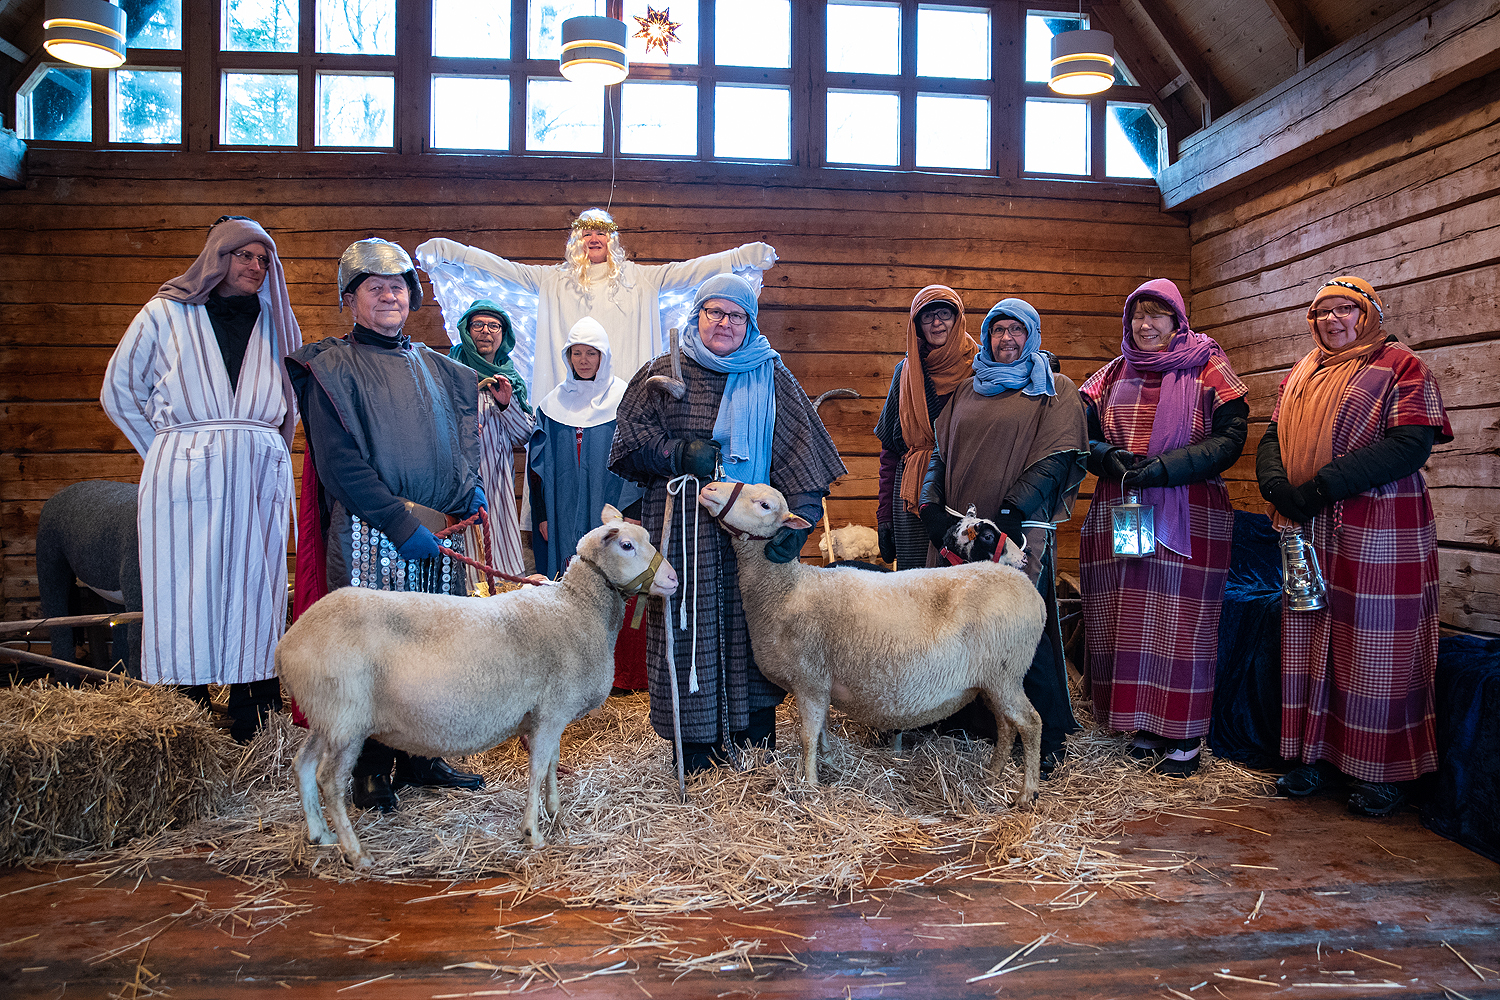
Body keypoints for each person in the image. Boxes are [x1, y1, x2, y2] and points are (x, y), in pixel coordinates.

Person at [610, 273, 846, 772]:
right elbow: (628, 444)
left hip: (751, 535)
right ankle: (693, 748)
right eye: (712, 312)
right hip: (682, 522)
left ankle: (753, 736)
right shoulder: (660, 374)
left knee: (751, 625)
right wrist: (676, 452)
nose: (723, 323)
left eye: (734, 314)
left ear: (750, 322)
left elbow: (800, 453)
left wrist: (791, 526)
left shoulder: (771, 376)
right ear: (696, 316)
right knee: (685, 622)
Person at [285, 237, 488, 812]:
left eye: (397, 286)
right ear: (351, 299)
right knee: (375, 655)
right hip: (374, 534)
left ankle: (422, 756)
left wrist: (468, 490)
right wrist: (399, 525)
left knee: (434, 650)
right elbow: (339, 465)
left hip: (437, 536)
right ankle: (372, 768)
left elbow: (460, 444)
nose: (388, 296)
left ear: (413, 296)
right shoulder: (328, 366)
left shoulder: (440, 369)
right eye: (374, 288)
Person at [1256, 276, 1452, 818]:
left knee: (1376, 649)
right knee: (1311, 637)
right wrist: (1277, 487)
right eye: (1322, 313)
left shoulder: (1401, 366)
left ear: (1367, 314)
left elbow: (1410, 444)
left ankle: (1381, 771)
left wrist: (1322, 486)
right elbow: (1273, 437)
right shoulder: (1301, 372)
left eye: (1346, 309)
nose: (1333, 320)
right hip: (1307, 528)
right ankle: (1314, 757)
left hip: (1379, 528)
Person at [100, 215, 298, 743]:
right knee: (182, 582)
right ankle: (183, 707)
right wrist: (165, 453)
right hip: (183, 467)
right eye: (244, 256)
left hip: (258, 466)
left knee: (256, 581)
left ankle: (251, 705)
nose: (255, 267)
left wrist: (276, 449)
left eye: (263, 259)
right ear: (217, 257)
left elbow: (290, 400)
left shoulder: (277, 321)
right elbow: (119, 391)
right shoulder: (164, 313)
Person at [1078, 279, 1249, 777]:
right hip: (1123, 505)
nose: (1146, 325)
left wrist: (1167, 468)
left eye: (1158, 315)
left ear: (1178, 322)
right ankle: (1142, 724)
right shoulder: (1110, 375)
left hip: (1189, 512)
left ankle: (1183, 732)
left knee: (1181, 625)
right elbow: (1079, 434)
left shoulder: (1208, 368)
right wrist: (1107, 457)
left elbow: (1231, 437)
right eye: (1138, 315)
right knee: (1127, 617)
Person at [918, 297, 1087, 774]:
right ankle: (970, 725)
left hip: (1015, 533)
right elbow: (939, 455)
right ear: (987, 335)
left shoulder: (1055, 390)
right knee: (958, 626)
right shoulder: (968, 391)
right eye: (998, 330)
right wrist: (931, 510)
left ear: (1031, 336)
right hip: (960, 530)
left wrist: (1013, 511)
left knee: (1015, 629)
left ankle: (1045, 734)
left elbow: (1057, 456)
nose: (1006, 339)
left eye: (1016, 331)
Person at [414, 208, 779, 401]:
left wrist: (738, 257)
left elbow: (691, 272)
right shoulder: (553, 281)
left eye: (601, 232)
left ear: (612, 239)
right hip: (568, 402)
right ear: (576, 239)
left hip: (626, 402)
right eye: (585, 232)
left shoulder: (641, 279)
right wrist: (454, 252)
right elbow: (502, 271)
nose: (593, 238)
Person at [873, 285, 979, 569]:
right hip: (913, 495)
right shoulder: (905, 373)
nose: (936, 323)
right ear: (916, 325)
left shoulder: (980, 368)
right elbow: (891, 450)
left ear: (957, 319)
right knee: (917, 589)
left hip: (965, 488)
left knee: (964, 583)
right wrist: (884, 514)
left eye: (944, 314)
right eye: (927, 316)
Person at [529, 316, 642, 580]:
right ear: (567, 356)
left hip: (608, 504)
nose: (583, 360)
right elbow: (538, 470)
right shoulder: (551, 405)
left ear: (603, 356)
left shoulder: (623, 400)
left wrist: (631, 512)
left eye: (591, 353)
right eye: (576, 353)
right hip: (562, 509)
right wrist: (543, 517)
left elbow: (637, 463)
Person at [447, 299, 534, 583]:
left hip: (498, 487)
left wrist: (506, 404)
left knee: (500, 566)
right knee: (463, 565)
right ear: (467, 330)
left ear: (503, 334)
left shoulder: (509, 378)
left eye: (494, 326)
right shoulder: (449, 370)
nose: (486, 331)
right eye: (478, 325)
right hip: (456, 485)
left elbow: (523, 435)